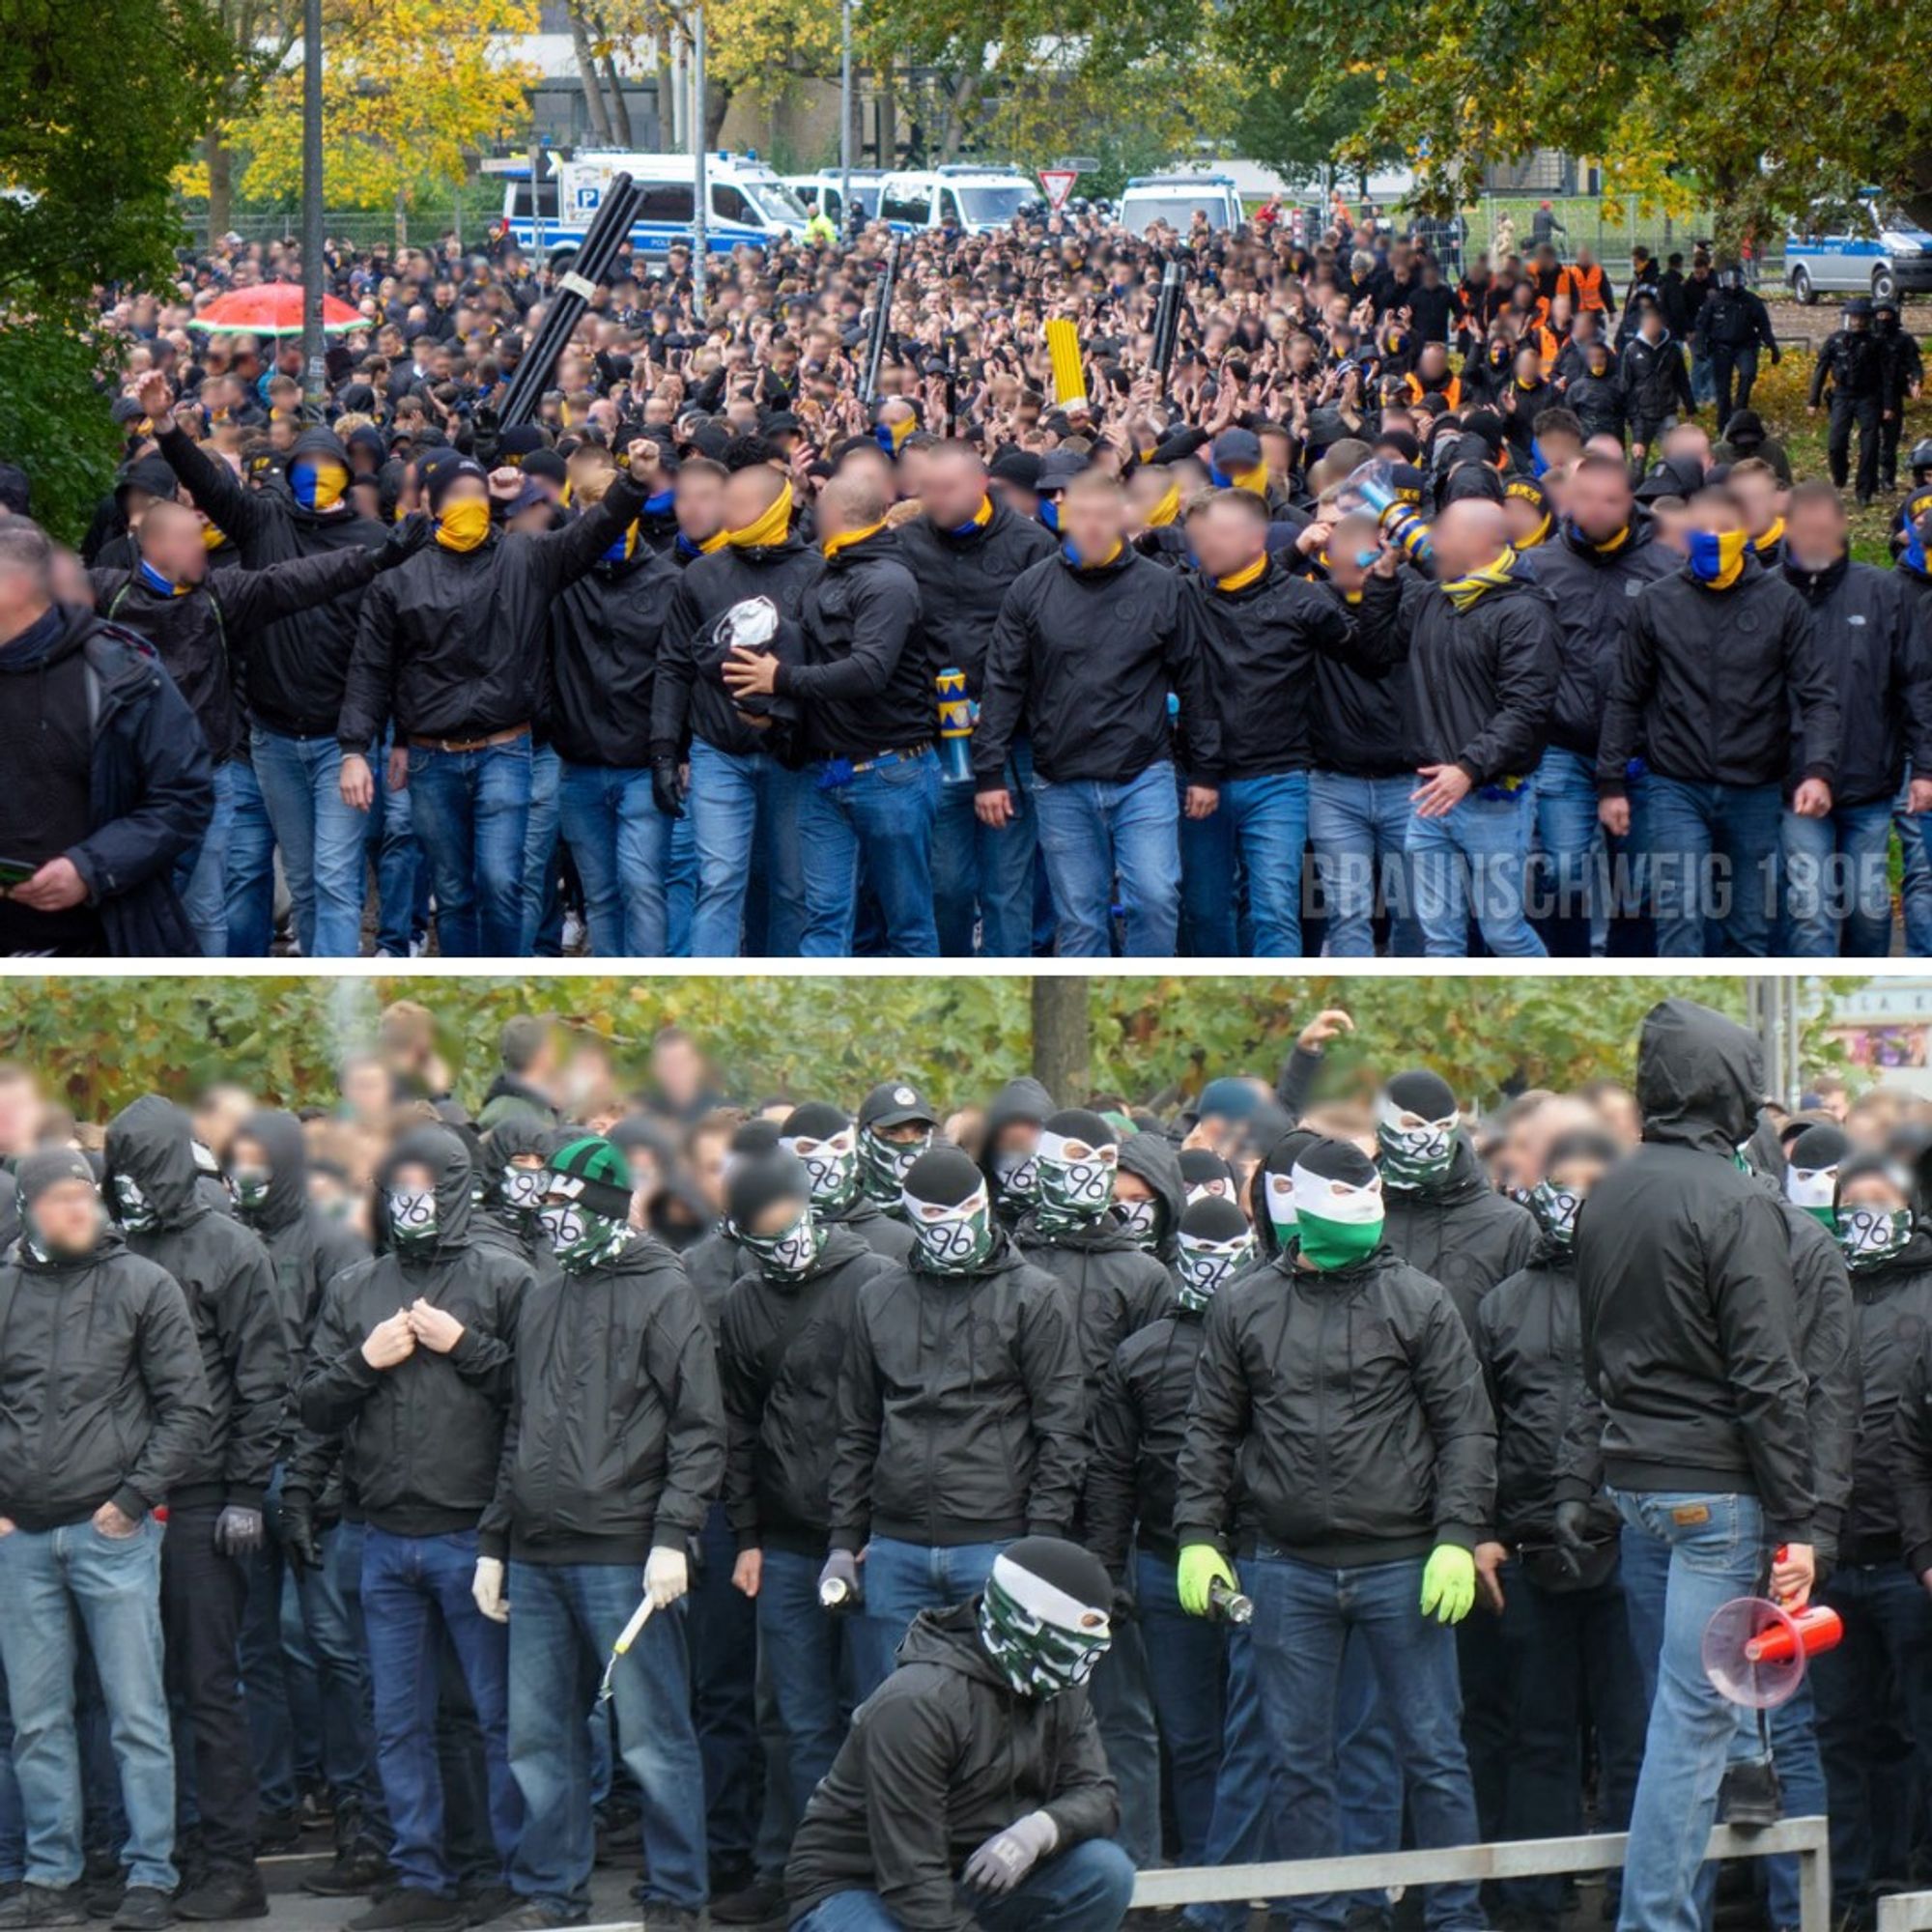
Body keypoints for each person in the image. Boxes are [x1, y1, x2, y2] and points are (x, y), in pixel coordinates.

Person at [1174, 1134, 1496, 1932]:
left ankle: (1456, 1916)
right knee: (1296, 1762)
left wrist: (1457, 1534)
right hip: (1288, 1567)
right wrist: (1196, 1535)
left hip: (1401, 1561)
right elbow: (1211, 1430)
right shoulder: (1246, 1303)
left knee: (1434, 1755)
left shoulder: (1418, 1301)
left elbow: (1466, 1427)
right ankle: (1315, 1916)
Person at [1561, 1000, 1817, 1932]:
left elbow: (1590, 1347)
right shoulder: (1740, 1200)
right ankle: (1657, 1921)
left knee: (1675, 1716)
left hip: (1637, 1479)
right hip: (1716, 1491)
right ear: (1734, 1091)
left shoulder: (1609, 1191)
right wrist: (1799, 1523)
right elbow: (1767, 1376)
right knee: (1694, 1725)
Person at [480, 1134, 724, 1932]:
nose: (549, 1221)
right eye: (544, 1206)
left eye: (561, 1205)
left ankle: (678, 1894)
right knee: (538, 1741)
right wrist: (494, 1544)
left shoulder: (664, 1291)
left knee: (653, 1739)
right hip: (539, 1549)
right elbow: (519, 1425)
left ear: (602, 1210)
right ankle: (552, 1890)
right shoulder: (543, 1295)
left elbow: (698, 1427)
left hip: (626, 1550)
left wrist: (672, 1535)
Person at [298, 1124, 533, 1932]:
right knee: (396, 1718)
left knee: (491, 1716)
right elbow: (316, 1404)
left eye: (428, 1186)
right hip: (384, 1535)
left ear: (459, 1187)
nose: (413, 1202)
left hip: (472, 1531)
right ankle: (420, 1875)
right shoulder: (357, 1285)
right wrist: (367, 1359)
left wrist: (464, 1345)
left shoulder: (506, 1277)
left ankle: (498, 1869)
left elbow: (535, 1401)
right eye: (399, 1186)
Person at [0, 1148, 212, 1932]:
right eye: (57, 1199)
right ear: (28, 1208)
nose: (76, 1209)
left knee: (136, 1714)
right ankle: (52, 1877)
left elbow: (187, 1407)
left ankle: (149, 1875)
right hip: (21, 1541)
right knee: (38, 1720)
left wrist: (131, 1501)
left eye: (84, 1195)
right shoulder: (5, 1290)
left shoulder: (142, 1284)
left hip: (111, 1534)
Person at [336, 450, 654, 957]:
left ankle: (506, 983)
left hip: (504, 748)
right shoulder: (398, 579)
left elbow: (588, 535)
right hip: (431, 756)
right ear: (435, 507)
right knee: (456, 892)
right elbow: (372, 668)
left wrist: (633, 483)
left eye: (477, 496)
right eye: (457, 496)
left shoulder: (525, 557)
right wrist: (356, 747)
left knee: (502, 880)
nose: (469, 505)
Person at [101, 1097, 291, 1922]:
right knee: (139, 1690)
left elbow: (262, 1377)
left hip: (207, 1496)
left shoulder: (230, 1246)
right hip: (118, 1500)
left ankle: (230, 1861)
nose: (132, 1184)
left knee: (209, 1684)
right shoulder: (111, 1247)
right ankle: (161, 1849)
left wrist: (247, 1492)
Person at [86, 499, 418, 956]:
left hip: (208, 777)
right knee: (135, 902)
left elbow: (290, 581)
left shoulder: (219, 594)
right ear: (157, 546)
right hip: (132, 783)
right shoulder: (106, 594)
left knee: (205, 907)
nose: (202, 547)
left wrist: (371, 559)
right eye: (188, 539)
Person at [135, 373, 392, 960]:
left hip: (339, 738)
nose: (313, 476)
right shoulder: (265, 522)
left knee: (333, 875)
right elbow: (211, 486)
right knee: (302, 878)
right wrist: (169, 428)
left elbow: (379, 646)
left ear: (347, 479)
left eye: (325, 467)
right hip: (274, 736)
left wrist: (362, 740)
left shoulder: (371, 538)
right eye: (303, 465)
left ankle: (337, 995)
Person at [823, 1146, 1086, 1699]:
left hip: (997, 1539)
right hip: (896, 1543)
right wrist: (844, 1543)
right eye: (937, 1218)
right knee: (895, 1716)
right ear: (913, 1217)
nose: (955, 1229)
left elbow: (1061, 1429)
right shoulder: (878, 1297)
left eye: (966, 1209)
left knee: (1004, 1715)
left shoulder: (1034, 1296)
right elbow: (856, 1427)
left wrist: (1041, 1541)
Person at [782, 1537, 1135, 1932]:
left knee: (1104, 1872)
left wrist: (1037, 1832)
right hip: (862, 1884)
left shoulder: (1058, 1685)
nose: (1080, 1664)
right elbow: (910, 1876)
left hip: (976, 1872)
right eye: (1071, 1642)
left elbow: (1099, 1794)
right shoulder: (918, 1702)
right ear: (1026, 1623)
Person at [1472, 1127, 1645, 1932]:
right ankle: (1531, 1904)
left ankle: (1631, 1901)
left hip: (1631, 1545)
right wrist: (1484, 1530)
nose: (1575, 1200)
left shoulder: (1651, 1291)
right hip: (1531, 1546)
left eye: (1593, 1182)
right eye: (1562, 1182)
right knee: (1537, 1739)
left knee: (1632, 1740)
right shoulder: (1502, 1303)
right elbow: (1478, 1427)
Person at [1085, 1193, 1276, 1917]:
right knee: (1190, 1733)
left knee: (1254, 1733)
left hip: (1258, 1552)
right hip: (1167, 1561)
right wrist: (1109, 1571)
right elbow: (1111, 1473)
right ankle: (1204, 1873)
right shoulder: (1140, 1354)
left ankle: (1245, 1874)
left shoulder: (1274, 1336)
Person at [716, 1148, 893, 1910]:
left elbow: (896, 1412)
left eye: (788, 1214)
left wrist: (873, 1530)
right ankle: (791, 1869)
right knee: (790, 1719)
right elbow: (736, 1423)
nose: (781, 1231)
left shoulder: (876, 1280)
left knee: (880, 1710)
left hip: (870, 1538)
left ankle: (883, 1869)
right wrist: (748, 1534)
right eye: (763, 1224)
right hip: (785, 1544)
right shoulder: (743, 1301)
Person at [973, 469, 1219, 956]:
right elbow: (1003, 682)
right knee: (1080, 919)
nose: (1091, 526)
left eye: (1103, 516)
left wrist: (1205, 769)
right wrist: (989, 773)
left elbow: (1196, 682)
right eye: (1081, 515)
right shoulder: (1031, 589)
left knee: (1154, 897)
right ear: (1064, 516)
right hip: (1060, 776)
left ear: (1122, 519)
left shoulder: (1162, 587)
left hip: (1142, 771)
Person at [1597, 487, 1841, 956]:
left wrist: (1818, 770)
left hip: (1754, 784)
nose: (1711, 540)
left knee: (1747, 925)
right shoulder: (1656, 602)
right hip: (1676, 784)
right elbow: (1626, 695)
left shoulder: (1782, 603)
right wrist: (1611, 782)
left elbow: (1818, 696)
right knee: (1679, 913)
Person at [724, 470, 938, 956]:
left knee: (907, 926)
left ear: (834, 515)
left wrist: (780, 680)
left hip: (890, 774)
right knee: (822, 920)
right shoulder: (829, 570)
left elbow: (869, 672)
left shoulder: (889, 581)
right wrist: (776, 712)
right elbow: (812, 658)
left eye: (817, 507)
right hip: (825, 774)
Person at [1804, 1151, 1932, 1921]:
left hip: (1908, 1560)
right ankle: (1848, 1889)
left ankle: (1907, 1880)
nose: (1868, 1216)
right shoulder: (1816, 1292)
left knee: (1914, 1732)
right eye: (1856, 1202)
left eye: (1883, 1201)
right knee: (1837, 1736)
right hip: (1830, 1557)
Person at [1178, 489, 1384, 955]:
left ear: (1256, 540)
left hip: (1279, 780)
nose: (1205, 545)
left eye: (1219, 535)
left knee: (1274, 909)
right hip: (1200, 780)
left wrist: (1384, 584)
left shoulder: (1304, 602)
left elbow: (1371, 659)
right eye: (1202, 536)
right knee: (1206, 910)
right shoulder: (1184, 594)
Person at [1353, 497, 1557, 957]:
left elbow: (1526, 710)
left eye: (1442, 532)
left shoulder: (1525, 611)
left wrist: (1466, 769)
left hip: (1491, 797)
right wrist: (1383, 581)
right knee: (1440, 940)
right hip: (1429, 793)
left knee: (1503, 932)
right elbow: (1377, 652)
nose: (1429, 542)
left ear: (1478, 543)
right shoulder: (1431, 597)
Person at [0, 521, 213, 957]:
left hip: (98, 944)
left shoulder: (124, 675)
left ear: (15, 587)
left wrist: (90, 869)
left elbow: (183, 796)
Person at [893, 442, 1056, 958]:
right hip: (936, 740)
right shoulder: (906, 543)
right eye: (926, 488)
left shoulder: (1033, 545)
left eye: (945, 489)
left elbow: (1048, 647)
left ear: (981, 484)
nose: (932, 499)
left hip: (1010, 741)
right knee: (945, 883)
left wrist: (1004, 708)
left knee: (1008, 888)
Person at [652, 462, 821, 958]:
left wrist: (785, 715)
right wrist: (665, 749)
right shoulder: (701, 574)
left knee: (791, 887)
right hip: (718, 751)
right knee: (721, 879)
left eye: (740, 505)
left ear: (774, 508)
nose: (727, 513)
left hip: (791, 755)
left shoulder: (814, 573)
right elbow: (673, 665)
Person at [1776, 480, 1932, 956]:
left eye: (1824, 529)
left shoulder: (1884, 591)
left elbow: (1915, 683)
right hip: (1793, 783)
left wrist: (1924, 768)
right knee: (1810, 909)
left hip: (1868, 781)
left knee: (1867, 907)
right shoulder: (1769, 593)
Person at [1528, 454, 1675, 954]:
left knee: (1640, 885)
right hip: (1563, 745)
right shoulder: (1540, 567)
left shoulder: (1664, 568)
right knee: (1563, 873)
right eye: (1584, 497)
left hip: (1641, 752)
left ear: (1629, 502)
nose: (1594, 509)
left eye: (1608, 499)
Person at [1808, 298, 1887, 506]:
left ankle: (1864, 491)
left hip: (1868, 397)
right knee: (1836, 443)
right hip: (1842, 396)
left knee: (1870, 445)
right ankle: (1840, 476)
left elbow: (1886, 376)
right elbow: (1821, 370)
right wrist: (1813, 400)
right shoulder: (1835, 341)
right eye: (1854, 318)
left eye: (1862, 318)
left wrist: (1888, 405)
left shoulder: (1876, 343)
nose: (1857, 322)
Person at [1690, 266, 1778, 426]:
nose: (1733, 284)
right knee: (1722, 388)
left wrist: (1773, 347)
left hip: (1745, 346)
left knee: (1748, 374)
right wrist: (1699, 347)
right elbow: (1701, 325)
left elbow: (1764, 325)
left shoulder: (1751, 301)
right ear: (1722, 281)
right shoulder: (1714, 301)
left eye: (1736, 279)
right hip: (1721, 347)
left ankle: (1739, 413)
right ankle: (1723, 423)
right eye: (1729, 279)